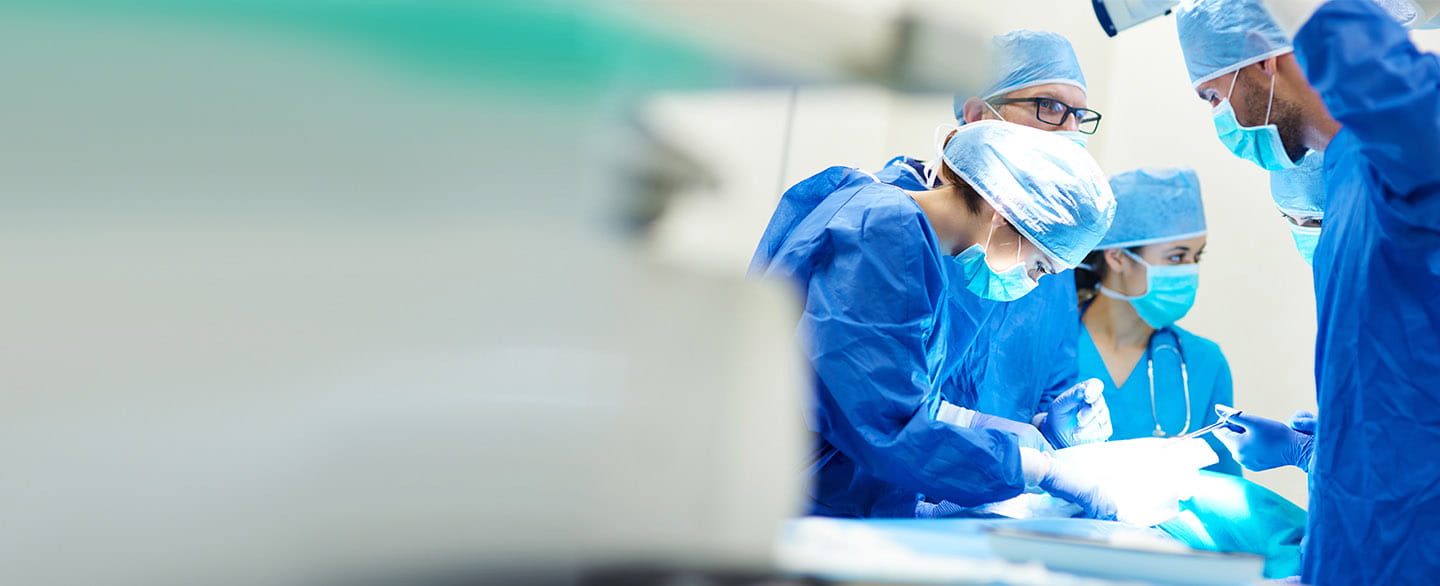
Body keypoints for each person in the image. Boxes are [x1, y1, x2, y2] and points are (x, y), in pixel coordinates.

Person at [1176, 0, 1440, 581]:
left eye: (1213, 94)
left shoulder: (1395, 158)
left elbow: (1412, 109)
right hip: (1359, 545)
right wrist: (1317, 452)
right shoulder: (1342, 178)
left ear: (1262, 57)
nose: (1219, 115)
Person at [750, 121, 1117, 519]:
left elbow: (868, 388)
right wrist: (1036, 470)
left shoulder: (881, 216)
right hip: (789, 508)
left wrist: (999, 431)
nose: (1032, 282)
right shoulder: (884, 233)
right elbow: (886, 427)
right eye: (1040, 267)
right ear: (1003, 216)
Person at [874, 30, 1104, 445]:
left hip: (994, 494)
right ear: (979, 115)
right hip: (879, 493)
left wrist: (1049, 429)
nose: (1069, 132)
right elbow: (874, 405)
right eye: (1049, 107)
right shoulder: (888, 228)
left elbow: (1050, 380)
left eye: (1079, 117)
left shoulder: (1046, 250)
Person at [1071, 166, 1240, 475]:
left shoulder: (1204, 363)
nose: (1190, 270)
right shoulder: (1051, 347)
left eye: (1196, 256)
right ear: (1118, 256)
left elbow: (1223, 489)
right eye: (1176, 257)